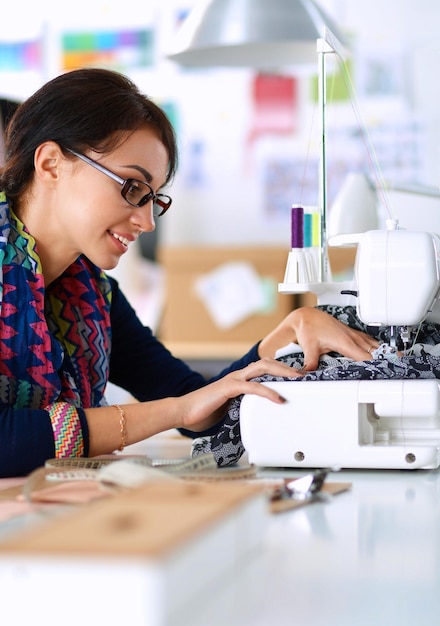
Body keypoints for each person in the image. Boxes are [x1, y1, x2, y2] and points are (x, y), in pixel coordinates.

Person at [0, 67, 336, 479]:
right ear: (51, 164)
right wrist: (176, 409)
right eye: (132, 188)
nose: (147, 221)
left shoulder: (91, 295)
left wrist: (285, 335)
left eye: (153, 199)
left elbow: (195, 402)